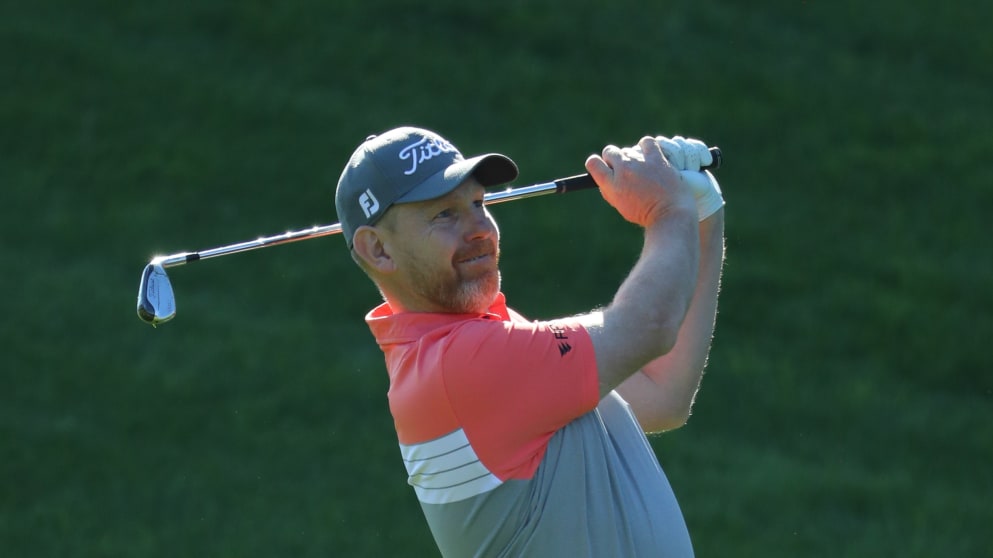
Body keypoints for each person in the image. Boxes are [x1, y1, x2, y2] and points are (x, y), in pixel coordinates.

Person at [334, 126, 725, 557]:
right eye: (444, 214)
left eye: (479, 203)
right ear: (378, 250)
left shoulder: (472, 352)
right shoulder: (459, 366)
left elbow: (660, 390)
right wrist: (668, 209)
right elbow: (647, 327)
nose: (480, 227)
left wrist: (702, 215)